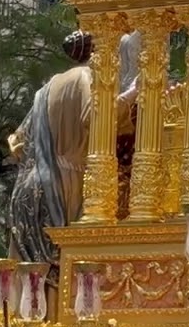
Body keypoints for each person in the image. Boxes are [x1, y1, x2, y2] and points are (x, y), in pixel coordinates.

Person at [7, 31, 137, 266]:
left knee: (30, 277)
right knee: (68, 272)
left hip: (29, 187)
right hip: (65, 185)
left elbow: (17, 142)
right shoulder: (86, 76)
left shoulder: (48, 87)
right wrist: (133, 92)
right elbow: (95, 116)